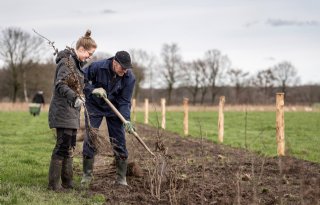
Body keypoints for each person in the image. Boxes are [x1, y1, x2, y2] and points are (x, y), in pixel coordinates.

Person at [47, 30, 97, 191]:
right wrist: (74, 98)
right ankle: (54, 185)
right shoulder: (66, 62)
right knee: (62, 146)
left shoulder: (76, 64)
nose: (89, 57)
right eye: (89, 54)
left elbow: (76, 85)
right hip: (63, 111)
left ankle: (67, 182)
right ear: (81, 49)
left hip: (71, 112)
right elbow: (60, 84)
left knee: (70, 146)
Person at [81, 51, 135, 186]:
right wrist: (92, 89)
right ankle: (87, 175)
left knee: (119, 140)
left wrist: (126, 119)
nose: (125, 70)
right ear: (114, 63)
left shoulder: (129, 77)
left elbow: (124, 101)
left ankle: (121, 178)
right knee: (91, 136)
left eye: (127, 68)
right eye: (122, 67)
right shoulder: (98, 67)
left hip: (114, 108)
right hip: (94, 106)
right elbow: (80, 79)